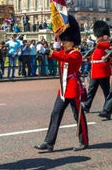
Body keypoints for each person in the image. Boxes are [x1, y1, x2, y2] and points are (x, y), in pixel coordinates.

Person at [34, 15, 89, 152]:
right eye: (63, 41)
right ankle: (49, 142)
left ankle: (84, 141)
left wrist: (51, 52)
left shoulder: (76, 54)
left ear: (72, 42)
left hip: (73, 88)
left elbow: (65, 58)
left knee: (78, 116)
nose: (63, 43)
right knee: (55, 113)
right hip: (63, 89)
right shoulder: (63, 51)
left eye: (66, 41)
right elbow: (60, 54)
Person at [82, 20, 112, 114]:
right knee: (91, 90)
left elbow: (109, 53)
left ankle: (108, 108)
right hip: (95, 70)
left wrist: (99, 42)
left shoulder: (106, 44)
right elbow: (95, 55)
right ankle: (87, 105)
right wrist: (88, 58)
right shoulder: (97, 45)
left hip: (102, 70)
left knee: (106, 91)